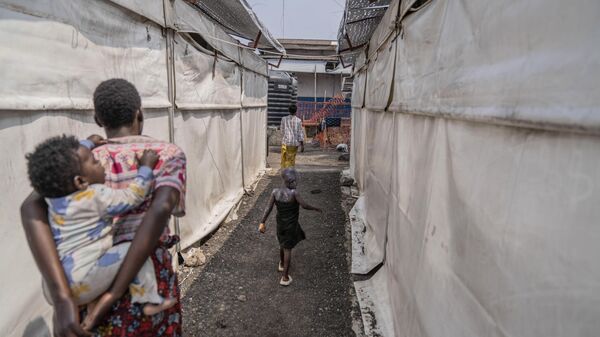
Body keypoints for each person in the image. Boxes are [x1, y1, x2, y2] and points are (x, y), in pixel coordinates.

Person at [20, 78, 186, 337]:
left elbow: (30, 206)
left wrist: (62, 298)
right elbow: (161, 208)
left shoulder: (79, 160)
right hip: (144, 272)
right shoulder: (167, 153)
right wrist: (114, 292)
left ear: (98, 119)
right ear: (138, 114)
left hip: (82, 281)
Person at [25, 134, 176, 319]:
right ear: (80, 181)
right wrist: (145, 167)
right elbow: (133, 196)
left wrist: (88, 143)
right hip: (82, 282)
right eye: (95, 161)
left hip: (54, 289)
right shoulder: (96, 196)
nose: (101, 164)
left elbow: (66, 160)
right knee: (136, 248)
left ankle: (89, 306)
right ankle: (148, 298)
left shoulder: (53, 202)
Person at [258, 168, 322, 286]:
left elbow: (268, 208)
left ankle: (282, 264)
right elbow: (304, 205)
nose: (295, 183)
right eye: (293, 181)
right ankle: (285, 277)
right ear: (287, 181)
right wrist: (315, 208)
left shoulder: (275, 192)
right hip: (290, 225)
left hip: (280, 224)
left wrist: (262, 222)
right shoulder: (294, 193)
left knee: (282, 244)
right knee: (288, 249)